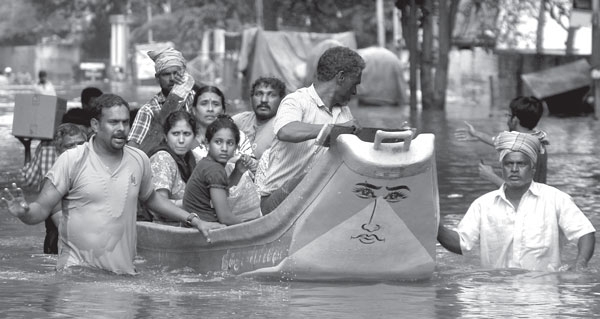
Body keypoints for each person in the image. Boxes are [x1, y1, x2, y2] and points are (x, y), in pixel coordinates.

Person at [1, 93, 224, 275]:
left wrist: (194, 219)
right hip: (77, 275)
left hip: (123, 276)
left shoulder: (139, 159)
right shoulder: (71, 160)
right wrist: (24, 212)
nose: (121, 128)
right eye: (113, 122)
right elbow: (41, 209)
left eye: (125, 122)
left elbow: (152, 199)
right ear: (95, 125)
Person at [437, 131, 595, 272]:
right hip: (496, 295)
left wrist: (580, 265)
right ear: (502, 168)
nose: (514, 169)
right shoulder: (483, 205)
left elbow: (585, 233)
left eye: (521, 164)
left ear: (532, 168)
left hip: (543, 297)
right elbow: (461, 243)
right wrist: (434, 225)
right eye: (508, 164)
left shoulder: (556, 199)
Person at [258, 46, 365, 215]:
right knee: (315, 179)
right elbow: (286, 130)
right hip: (276, 202)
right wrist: (332, 129)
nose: (355, 91)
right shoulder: (296, 101)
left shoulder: (344, 112)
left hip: (319, 197)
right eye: (354, 84)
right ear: (341, 77)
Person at [183, 115, 258, 226]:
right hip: (203, 228)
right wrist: (254, 228)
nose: (224, 148)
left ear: (236, 148)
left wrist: (238, 171)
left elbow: (223, 191)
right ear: (207, 143)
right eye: (218, 142)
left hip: (197, 225)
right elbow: (225, 218)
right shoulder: (214, 169)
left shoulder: (207, 163)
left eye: (230, 143)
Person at [458, 96, 549, 186]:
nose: (507, 120)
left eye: (508, 115)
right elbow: (498, 141)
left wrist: (490, 176)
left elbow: (517, 191)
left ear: (515, 120)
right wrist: (476, 134)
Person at [128, 47, 196, 152]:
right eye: (166, 74)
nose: (172, 78)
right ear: (157, 78)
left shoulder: (195, 99)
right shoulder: (148, 110)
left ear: (183, 74)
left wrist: (191, 83)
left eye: (176, 73)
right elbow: (133, 148)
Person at [42, 123, 88, 254]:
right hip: (59, 251)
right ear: (58, 151)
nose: (76, 150)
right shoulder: (52, 182)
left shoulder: (97, 174)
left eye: (80, 144)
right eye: (69, 146)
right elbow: (63, 226)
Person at [147, 110, 198, 225]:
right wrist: (197, 202)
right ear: (166, 136)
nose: (181, 140)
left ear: (194, 136)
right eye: (175, 134)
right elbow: (161, 206)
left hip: (187, 226)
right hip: (164, 229)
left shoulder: (193, 158)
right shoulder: (162, 158)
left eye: (186, 134)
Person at [189, 85, 253, 162]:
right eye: (204, 103)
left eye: (215, 104)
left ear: (223, 110)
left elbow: (250, 167)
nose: (210, 109)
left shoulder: (239, 137)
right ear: (194, 110)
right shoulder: (185, 138)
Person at [232, 76, 286, 159]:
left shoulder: (284, 127)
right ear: (251, 98)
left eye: (271, 95)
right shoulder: (239, 121)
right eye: (259, 94)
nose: (264, 100)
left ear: (282, 100)